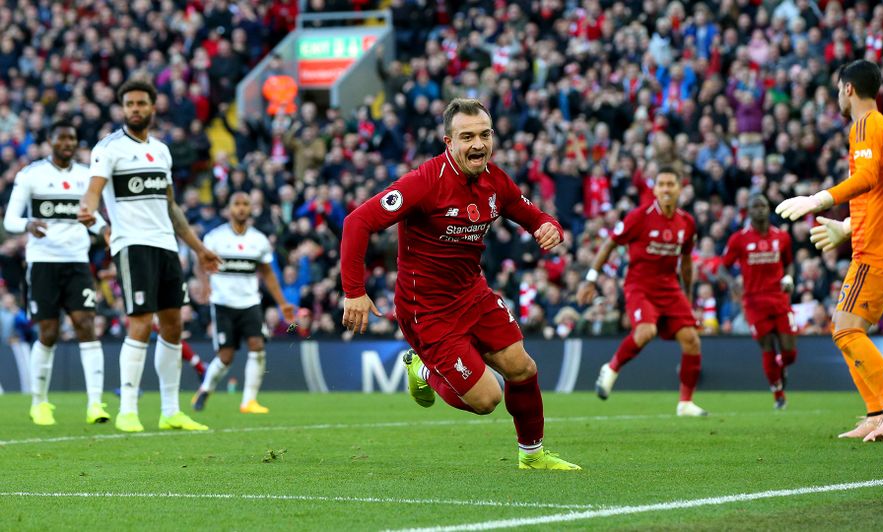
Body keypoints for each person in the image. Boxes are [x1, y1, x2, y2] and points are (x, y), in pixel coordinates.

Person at [341, 98, 580, 470]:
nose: (478, 144)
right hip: (428, 310)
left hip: (473, 295)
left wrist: (549, 226)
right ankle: (421, 367)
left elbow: (533, 216)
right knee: (487, 399)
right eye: (467, 136)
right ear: (448, 142)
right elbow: (357, 222)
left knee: (523, 368)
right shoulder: (423, 182)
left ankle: (532, 457)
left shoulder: (496, 180)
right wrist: (354, 291)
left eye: (485, 134)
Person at [777, 59, 883, 442]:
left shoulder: (864, 125)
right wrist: (845, 227)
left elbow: (867, 178)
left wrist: (820, 199)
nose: (839, 97)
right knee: (846, 327)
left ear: (848, 89)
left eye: (839, 90)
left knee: (845, 329)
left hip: (880, 248)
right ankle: (876, 412)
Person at [78, 79, 219, 433]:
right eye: (130, 104)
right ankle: (128, 410)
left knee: (173, 325)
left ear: (153, 107)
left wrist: (199, 249)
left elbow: (170, 207)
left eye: (142, 103)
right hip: (132, 243)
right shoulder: (108, 148)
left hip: (166, 246)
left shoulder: (161, 151)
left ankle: (170, 410)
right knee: (140, 322)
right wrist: (88, 209)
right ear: (123, 108)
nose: (136, 109)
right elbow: (93, 191)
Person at [3, 121, 111, 426]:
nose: (67, 143)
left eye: (72, 139)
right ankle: (39, 403)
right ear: (50, 140)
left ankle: (95, 404)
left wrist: (105, 231)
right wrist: (27, 224)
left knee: (86, 324)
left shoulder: (85, 177)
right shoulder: (31, 174)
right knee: (48, 332)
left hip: (76, 261)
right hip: (43, 263)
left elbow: (93, 216)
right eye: (61, 138)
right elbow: (10, 218)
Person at [577, 167, 708, 417]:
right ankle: (612, 368)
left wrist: (688, 295)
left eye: (671, 184)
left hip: (670, 287)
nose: (667, 189)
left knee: (692, 340)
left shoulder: (687, 222)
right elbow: (609, 244)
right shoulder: (639, 216)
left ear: (680, 189)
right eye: (662, 184)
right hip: (640, 286)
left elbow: (687, 261)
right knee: (646, 331)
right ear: (655, 189)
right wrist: (591, 279)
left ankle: (685, 403)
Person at [191, 192, 296, 414]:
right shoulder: (215, 237)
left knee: (257, 346)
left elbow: (267, 274)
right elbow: (199, 263)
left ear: (250, 209)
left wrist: (282, 303)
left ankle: (249, 401)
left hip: (250, 303)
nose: (241, 208)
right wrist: (204, 284)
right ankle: (205, 389)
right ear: (229, 209)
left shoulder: (258, 240)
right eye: (236, 204)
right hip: (223, 303)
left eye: (245, 204)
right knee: (226, 357)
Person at [721, 194, 798, 409]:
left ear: (768, 208)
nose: (760, 210)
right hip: (754, 302)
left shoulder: (782, 237)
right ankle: (778, 394)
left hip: (779, 298)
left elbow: (789, 263)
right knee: (767, 347)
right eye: (755, 206)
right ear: (748, 211)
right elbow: (722, 267)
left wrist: (789, 277)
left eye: (764, 206)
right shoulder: (739, 239)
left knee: (790, 352)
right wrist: (732, 283)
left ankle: (781, 366)